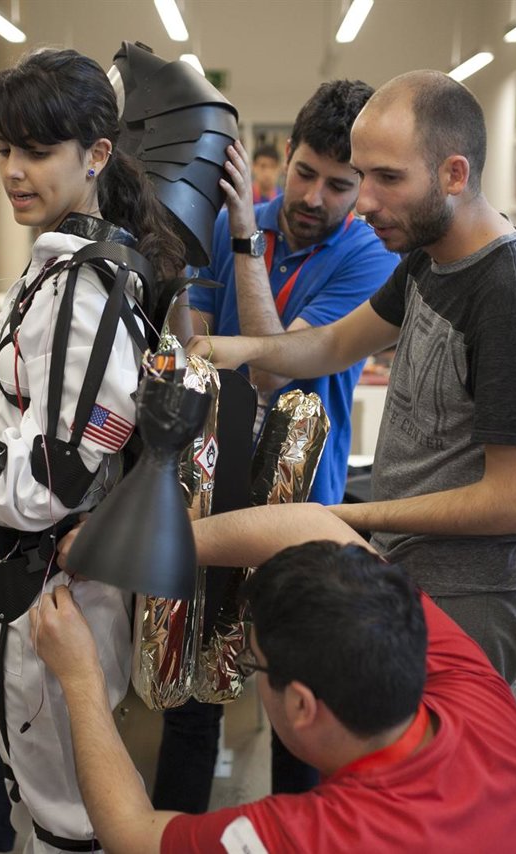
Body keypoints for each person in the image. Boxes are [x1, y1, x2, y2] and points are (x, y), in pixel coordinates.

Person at [193, 70, 516, 684]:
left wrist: (345, 519)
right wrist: (231, 348)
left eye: (387, 179)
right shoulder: (428, 255)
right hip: (400, 567)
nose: (364, 202)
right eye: (363, 176)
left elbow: (511, 502)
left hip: (467, 598)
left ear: (454, 174)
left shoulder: (513, 294)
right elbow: (338, 342)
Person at [33, 503, 516, 853]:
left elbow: (131, 834)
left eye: (255, 663)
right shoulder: (477, 693)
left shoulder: (313, 836)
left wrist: (80, 680)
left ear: (303, 705)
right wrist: (135, 544)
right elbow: (312, 525)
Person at [0, 48, 183, 853]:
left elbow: (48, 483)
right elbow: (22, 419)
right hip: (30, 585)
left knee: (63, 816)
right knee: (38, 796)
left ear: (95, 155)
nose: (15, 170)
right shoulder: (61, 264)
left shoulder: (87, 286)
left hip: (48, 590)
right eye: (5, 148)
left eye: (37, 150)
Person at [163, 79, 398, 809]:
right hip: (216, 490)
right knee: (191, 699)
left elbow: (268, 365)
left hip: (306, 513)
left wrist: (240, 242)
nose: (315, 198)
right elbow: (196, 347)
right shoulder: (235, 218)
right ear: (283, 155)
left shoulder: (371, 257)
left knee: (306, 713)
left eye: (340, 185)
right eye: (305, 173)